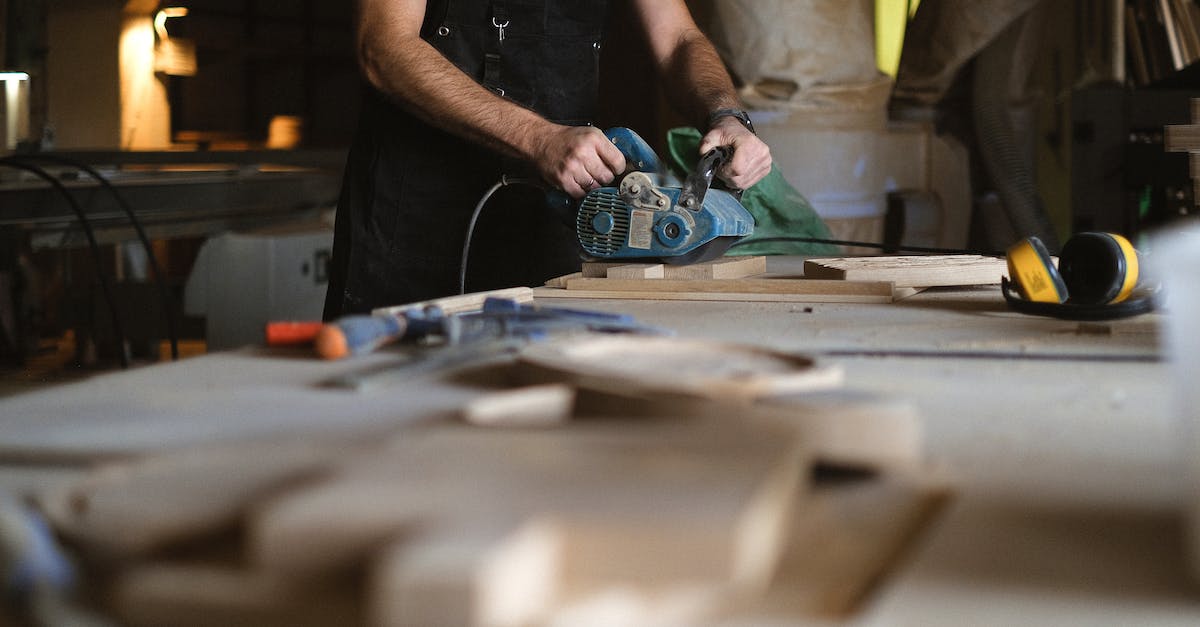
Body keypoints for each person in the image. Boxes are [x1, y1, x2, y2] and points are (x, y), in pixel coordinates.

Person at [323, 0, 773, 319]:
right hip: (412, 215)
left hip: (554, 210)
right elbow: (384, 47)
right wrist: (537, 138)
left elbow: (677, 40)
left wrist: (726, 114)